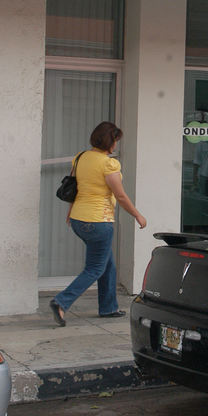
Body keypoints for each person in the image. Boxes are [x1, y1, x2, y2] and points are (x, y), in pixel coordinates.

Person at [50, 122, 147, 327]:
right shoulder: (108, 164)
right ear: (110, 141)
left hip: (79, 219)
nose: (116, 145)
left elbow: (74, 188)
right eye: (116, 141)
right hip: (98, 222)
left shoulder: (81, 157)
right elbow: (120, 195)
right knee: (95, 268)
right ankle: (61, 302)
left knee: (107, 264)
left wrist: (71, 211)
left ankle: (108, 307)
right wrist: (137, 215)